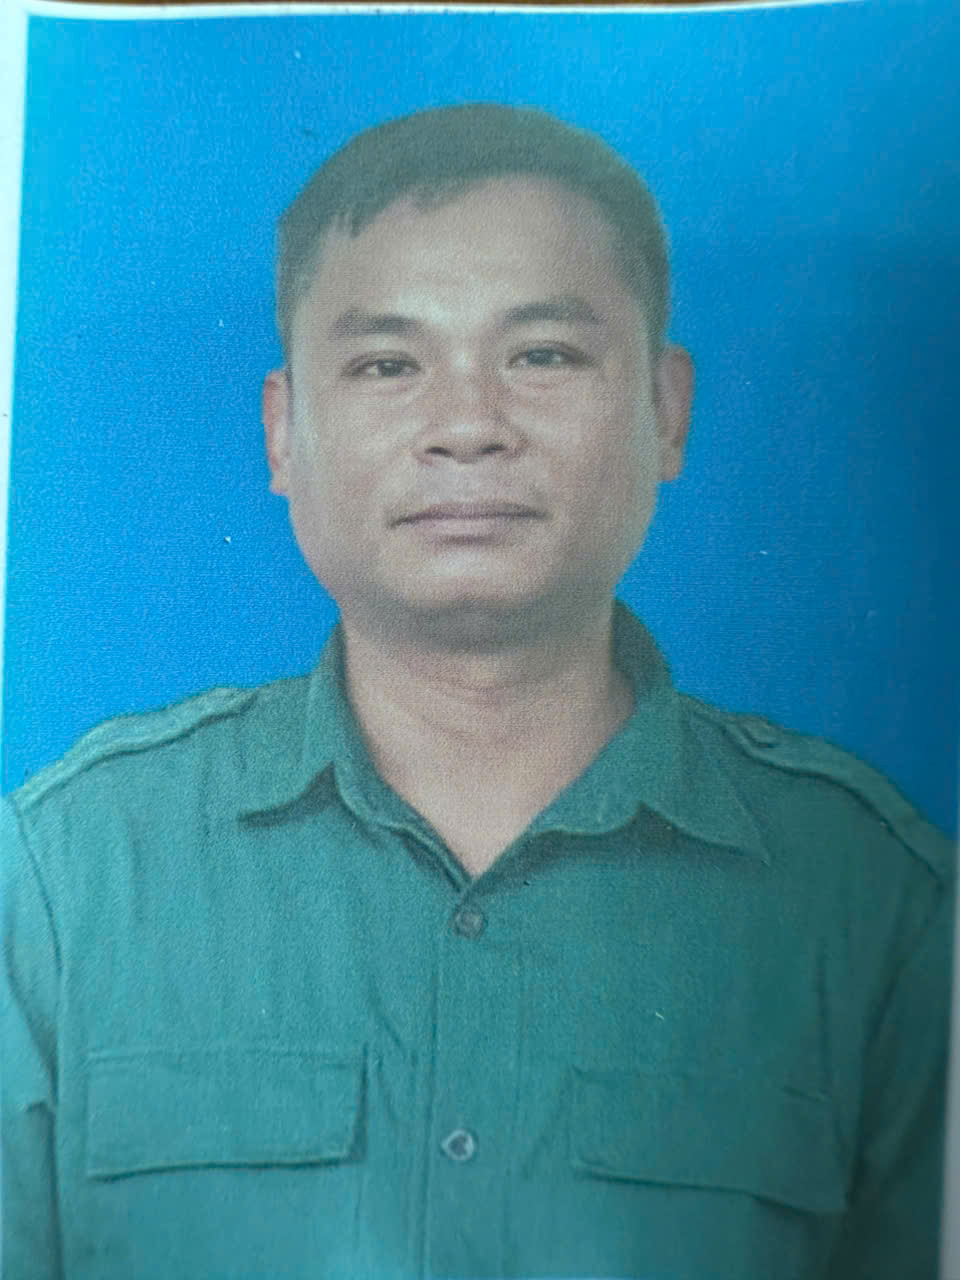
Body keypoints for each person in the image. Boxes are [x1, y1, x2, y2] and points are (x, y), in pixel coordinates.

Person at [1, 103, 954, 1280]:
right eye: (388, 364)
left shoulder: (884, 902)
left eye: (542, 354)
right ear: (283, 432)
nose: (467, 427)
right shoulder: (66, 876)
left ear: (667, 412)